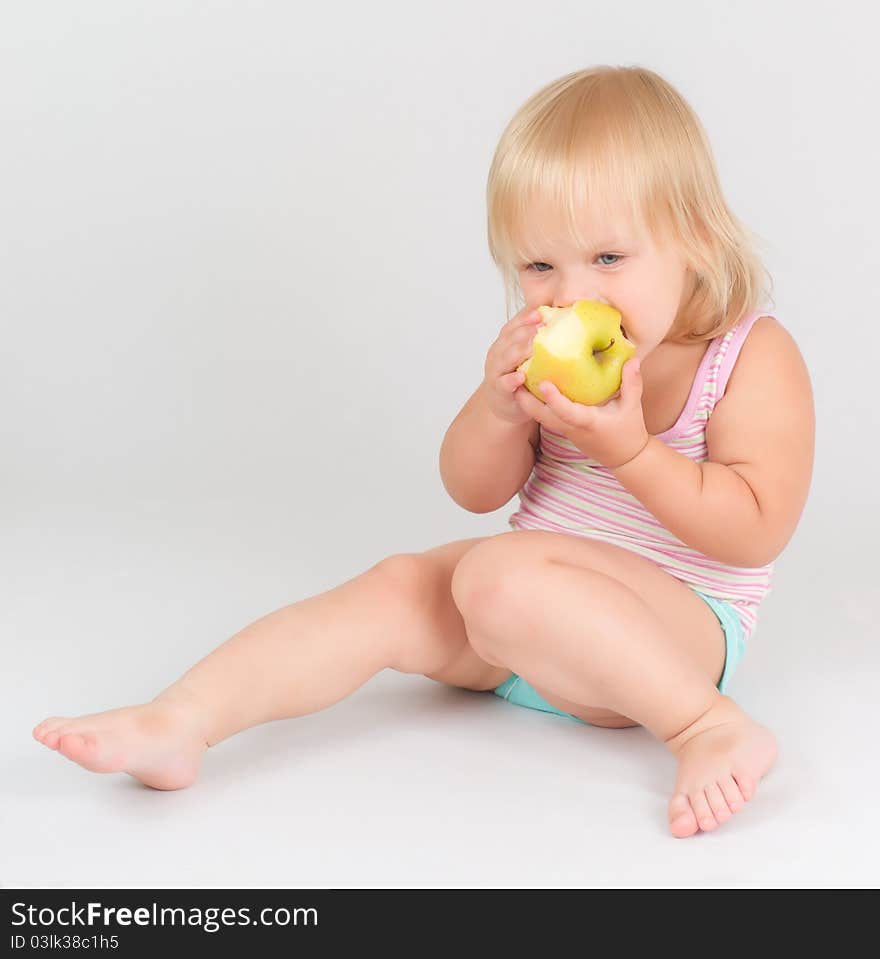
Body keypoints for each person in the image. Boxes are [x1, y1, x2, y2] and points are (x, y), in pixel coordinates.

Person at [32, 65, 815, 839]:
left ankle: (708, 727)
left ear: (696, 239)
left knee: (495, 575)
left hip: (671, 640)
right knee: (399, 585)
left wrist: (634, 452)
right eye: (540, 266)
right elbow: (472, 491)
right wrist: (498, 409)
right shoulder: (551, 362)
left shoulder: (746, 355)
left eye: (608, 259)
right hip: (524, 630)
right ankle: (185, 719)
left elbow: (754, 529)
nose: (574, 297)